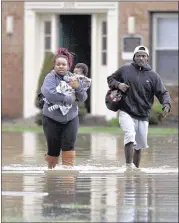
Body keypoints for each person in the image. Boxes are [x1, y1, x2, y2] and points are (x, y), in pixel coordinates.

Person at [107, 45, 171, 169]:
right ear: (134, 57)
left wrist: (166, 104)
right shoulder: (125, 69)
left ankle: (135, 170)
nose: (141, 58)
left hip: (143, 114)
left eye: (143, 56)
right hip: (126, 111)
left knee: (139, 145)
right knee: (130, 136)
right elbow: (110, 79)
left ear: (147, 58)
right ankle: (128, 166)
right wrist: (118, 85)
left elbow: (162, 93)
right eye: (138, 56)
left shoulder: (153, 76)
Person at [41, 48, 88, 169]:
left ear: (68, 66)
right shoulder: (50, 78)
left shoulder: (74, 78)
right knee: (54, 149)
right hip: (51, 118)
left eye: (63, 64)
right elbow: (49, 93)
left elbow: (83, 97)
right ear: (54, 65)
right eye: (58, 64)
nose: (61, 66)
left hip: (71, 118)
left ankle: (68, 178)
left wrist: (77, 87)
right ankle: (51, 176)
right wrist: (67, 99)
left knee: (69, 145)